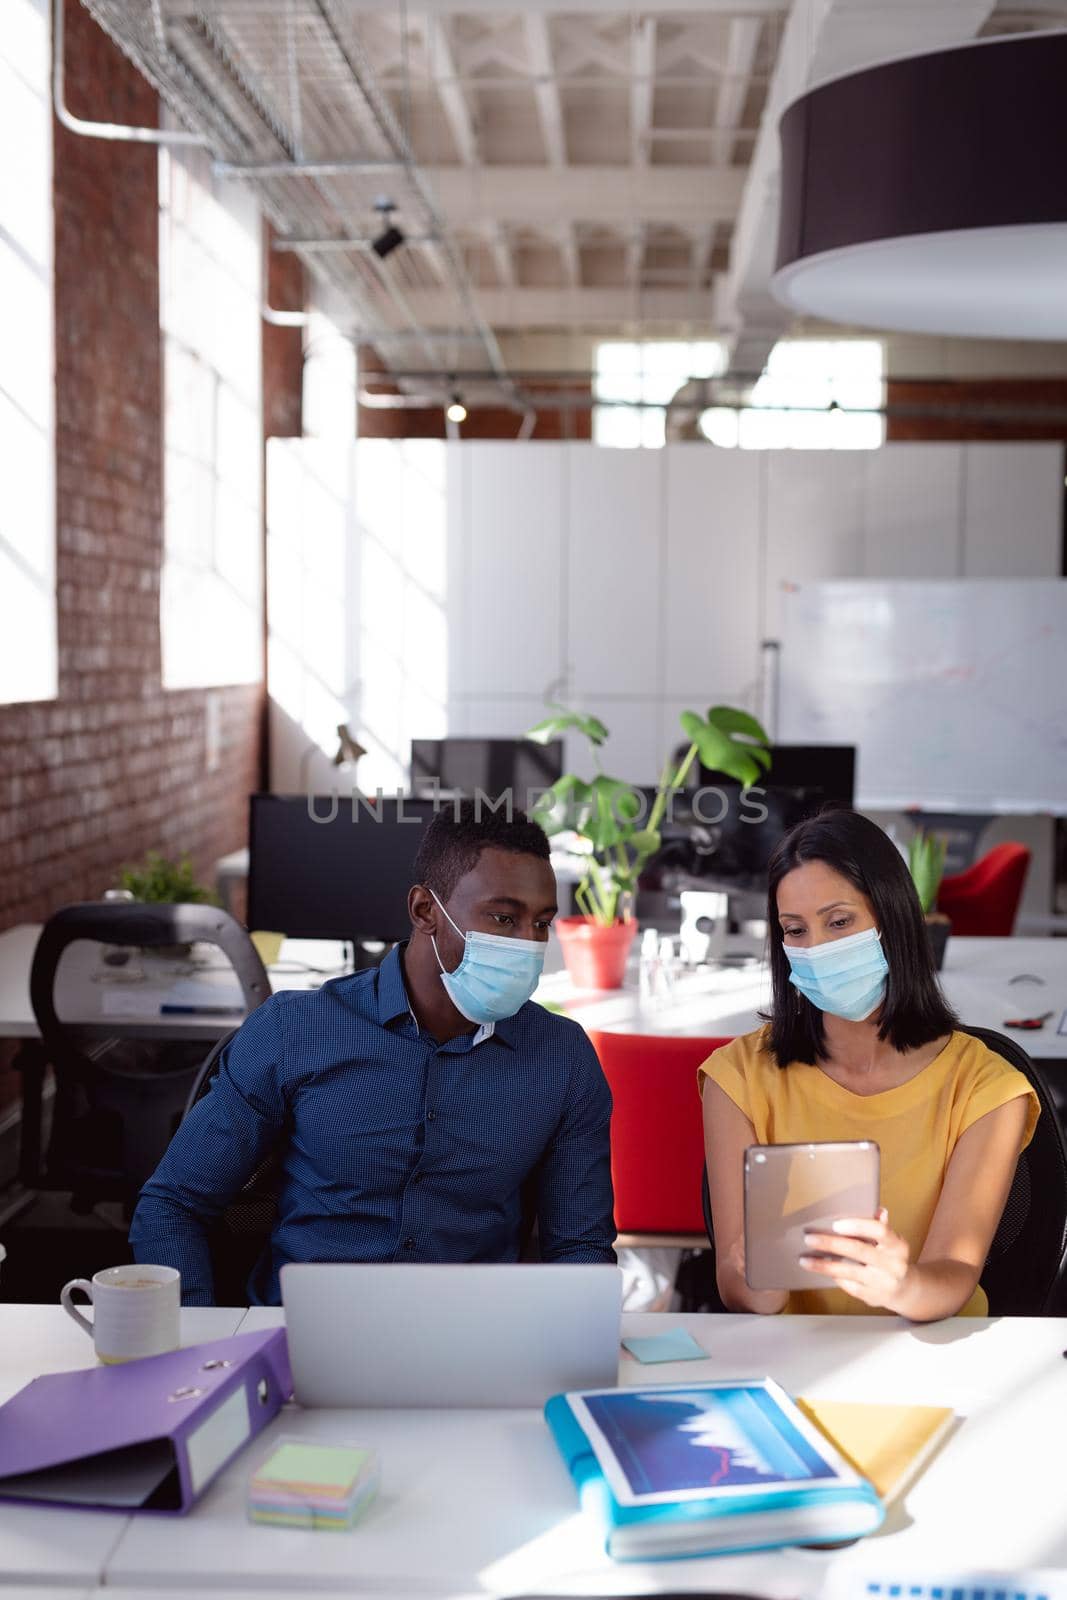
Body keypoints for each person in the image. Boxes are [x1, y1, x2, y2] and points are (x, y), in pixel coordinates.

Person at [130, 803, 616, 1305]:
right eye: (504, 918)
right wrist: (199, 1341)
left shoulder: (562, 1059)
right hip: (300, 1336)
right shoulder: (296, 1030)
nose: (528, 943)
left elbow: (579, 1247)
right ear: (425, 911)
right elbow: (174, 1203)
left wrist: (572, 1342)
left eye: (541, 924)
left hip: (467, 1342)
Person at [701, 808, 1038, 1321]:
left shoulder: (987, 1088)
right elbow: (736, 1282)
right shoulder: (737, 1077)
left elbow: (952, 1275)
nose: (817, 948)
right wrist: (757, 1281)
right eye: (795, 929)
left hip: (933, 1358)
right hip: (794, 1366)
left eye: (839, 922)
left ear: (892, 918)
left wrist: (901, 1284)